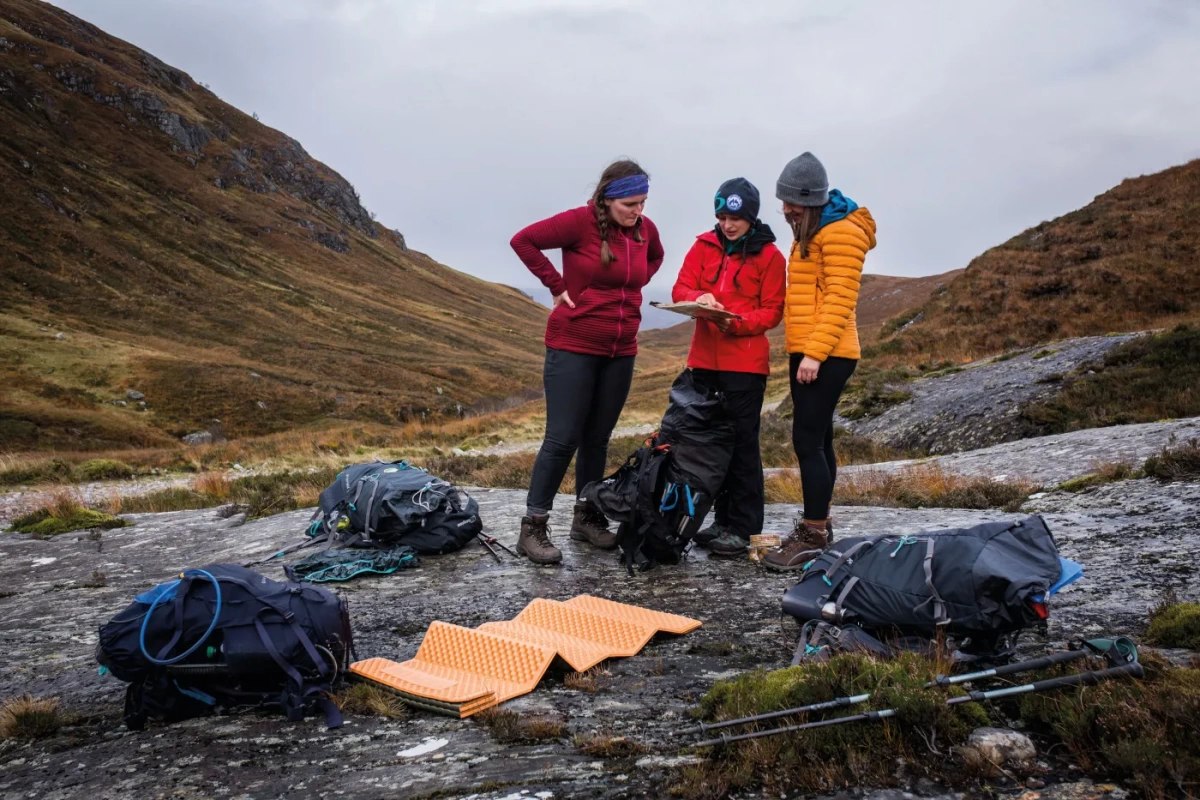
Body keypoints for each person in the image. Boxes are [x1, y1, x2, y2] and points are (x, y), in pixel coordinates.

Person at [509, 160, 665, 564]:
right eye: (630, 203)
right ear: (608, 199)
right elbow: (523, 240)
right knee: (563, 439)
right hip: (573, 344)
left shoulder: (645, 231)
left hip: (621, 350)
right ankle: (533, 527)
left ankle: (587, 517)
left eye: (643, 202)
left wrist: (635, 283)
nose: (638, 212)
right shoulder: (579, 223)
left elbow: (655, 258)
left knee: (597, 438)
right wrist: (557, 286)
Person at [764, 152, 877, 572]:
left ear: (808, 200)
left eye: (790, 203)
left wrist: (813, 353)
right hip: (811, 349)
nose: (785, 210)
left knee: (807, 441)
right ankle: (820, 526)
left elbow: (839, 299)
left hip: (827, 353)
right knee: (819, 440)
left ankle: (811, 535)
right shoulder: (812, 230)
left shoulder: (841, 233)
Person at [671, 178, 786, 557]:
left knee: (742, 448)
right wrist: (698, 298)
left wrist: (736, 323)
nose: (727, 224)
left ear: (750, 217)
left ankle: (743, 527)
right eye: (721, 216)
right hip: (703, 362)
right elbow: (680, 289)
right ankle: (720, 522)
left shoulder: (770, 257)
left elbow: (772, 311)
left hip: (745, 367)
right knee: (708, 447)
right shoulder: (702, 245)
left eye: (735, 217)